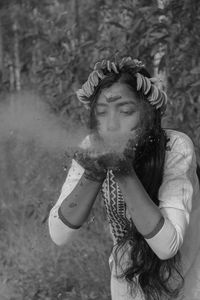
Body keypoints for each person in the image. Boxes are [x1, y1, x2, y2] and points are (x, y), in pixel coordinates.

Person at [48, 56, 200, 300]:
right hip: (127, 284)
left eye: (126, 111)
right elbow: (59, 234)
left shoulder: (175, 147)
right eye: (101, 113)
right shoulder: (90, 147)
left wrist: (123, 170)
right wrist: (94, 172)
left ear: (148, 114)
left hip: (185, 285)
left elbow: (166, 247)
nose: (111, 124)